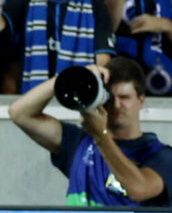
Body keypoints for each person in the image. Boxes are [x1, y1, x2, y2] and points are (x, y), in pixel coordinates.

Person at [9, 57, 172, 207]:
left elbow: (139, 189)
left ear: (141, 100)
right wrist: (74, 76)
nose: (116, 105)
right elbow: (19, 113)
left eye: (124, 97)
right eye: (110, 98)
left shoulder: (161, 155)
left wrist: (101, 136)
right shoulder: (79, 142)